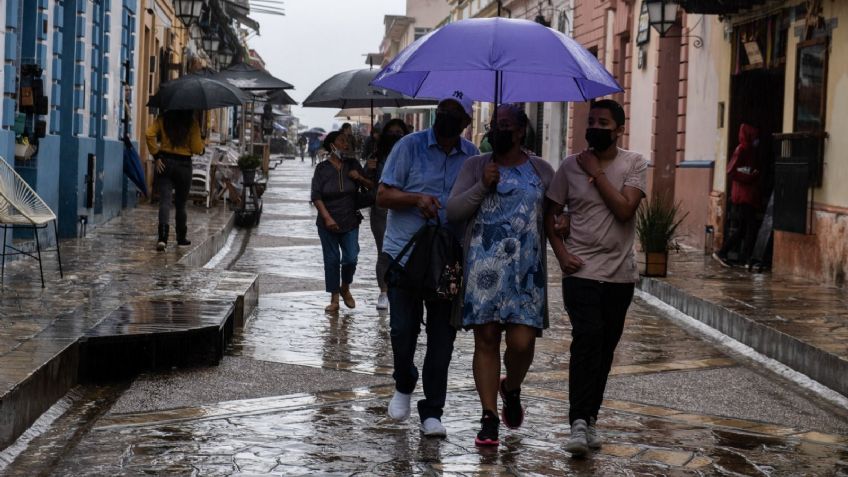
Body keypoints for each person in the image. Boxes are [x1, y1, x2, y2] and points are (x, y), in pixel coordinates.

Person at [544, 99, 647, 457]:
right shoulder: (569, 167)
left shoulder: (633, 163)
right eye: (592, 121)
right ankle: (577, 422)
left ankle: (589, 417)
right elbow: (550, 214)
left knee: (605, 349)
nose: (596, 127)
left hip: (619, 277)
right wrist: (560, 252)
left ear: (619, 129)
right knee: (587, 338)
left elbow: (625, 209)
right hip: (581, 273)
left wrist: (596, 174)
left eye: (604, 122)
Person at [447, 104, 554, 447]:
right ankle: (489, 416)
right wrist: (481, 185)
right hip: (484, 268)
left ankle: (511, 387)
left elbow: (552, 217)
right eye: (495, 124)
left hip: (526, 271)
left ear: (522, 131)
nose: (498, 129)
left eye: (506, 124)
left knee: (522, 343)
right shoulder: (476, 165)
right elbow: (453, 212)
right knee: (487, 338)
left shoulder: (541, 169)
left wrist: (564, 232)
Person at [377, 93, 479, 437]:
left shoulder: (474, 158)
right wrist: (416, 198)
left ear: (467, 121)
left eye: (455, 113)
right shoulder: (409, 146)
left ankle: (433, 409)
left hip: (448, 260)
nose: (447, 116)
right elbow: (383, 195)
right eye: (443, 110)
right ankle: (404, 380)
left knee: (441, 339)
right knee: (402, 331)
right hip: (405, 254)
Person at [311, 131, 375, 312]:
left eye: (347, 141)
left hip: (350, 220)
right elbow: (316, 196)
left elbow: (371, 186)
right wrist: (327, 218)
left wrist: (360, 177)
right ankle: (335, 299)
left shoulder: (352, 165)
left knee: (351, 258)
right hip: (327, 222)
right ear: (332, 145)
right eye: (341, 141)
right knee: (331, 260)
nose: (346, 144)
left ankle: (345, 286)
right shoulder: (322, 169)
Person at [146, 109, 205, 251]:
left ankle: (162, 238)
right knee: (181, 203)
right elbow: (197, 148)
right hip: (184, 165)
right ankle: (181, 237)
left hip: (165, 162)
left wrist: (156, 155)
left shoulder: (163, 118)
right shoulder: (192, 122)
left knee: (165, 201)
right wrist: (201, 147)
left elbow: (149, 134)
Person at [365, 119, 409, 311]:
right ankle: (383, 291)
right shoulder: (377, 155)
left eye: (399, 132)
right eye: (391, 132)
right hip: (381, 210)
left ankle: (403, 289)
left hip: (406, 209)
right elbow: (367, 182)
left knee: (406, 251)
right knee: (384, 252)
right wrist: (368, 169)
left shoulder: (411, 155)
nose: (395, 135)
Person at [713, 123, 761, 268]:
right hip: (742, 197)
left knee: (745, 228)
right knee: (748, 227)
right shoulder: (741, 150)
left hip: (748, 196)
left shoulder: (751, 151)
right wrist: (749, 176)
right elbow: (731, 171)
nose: (755, 140)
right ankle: (733, 254)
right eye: (753, 137)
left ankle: (739, 256)